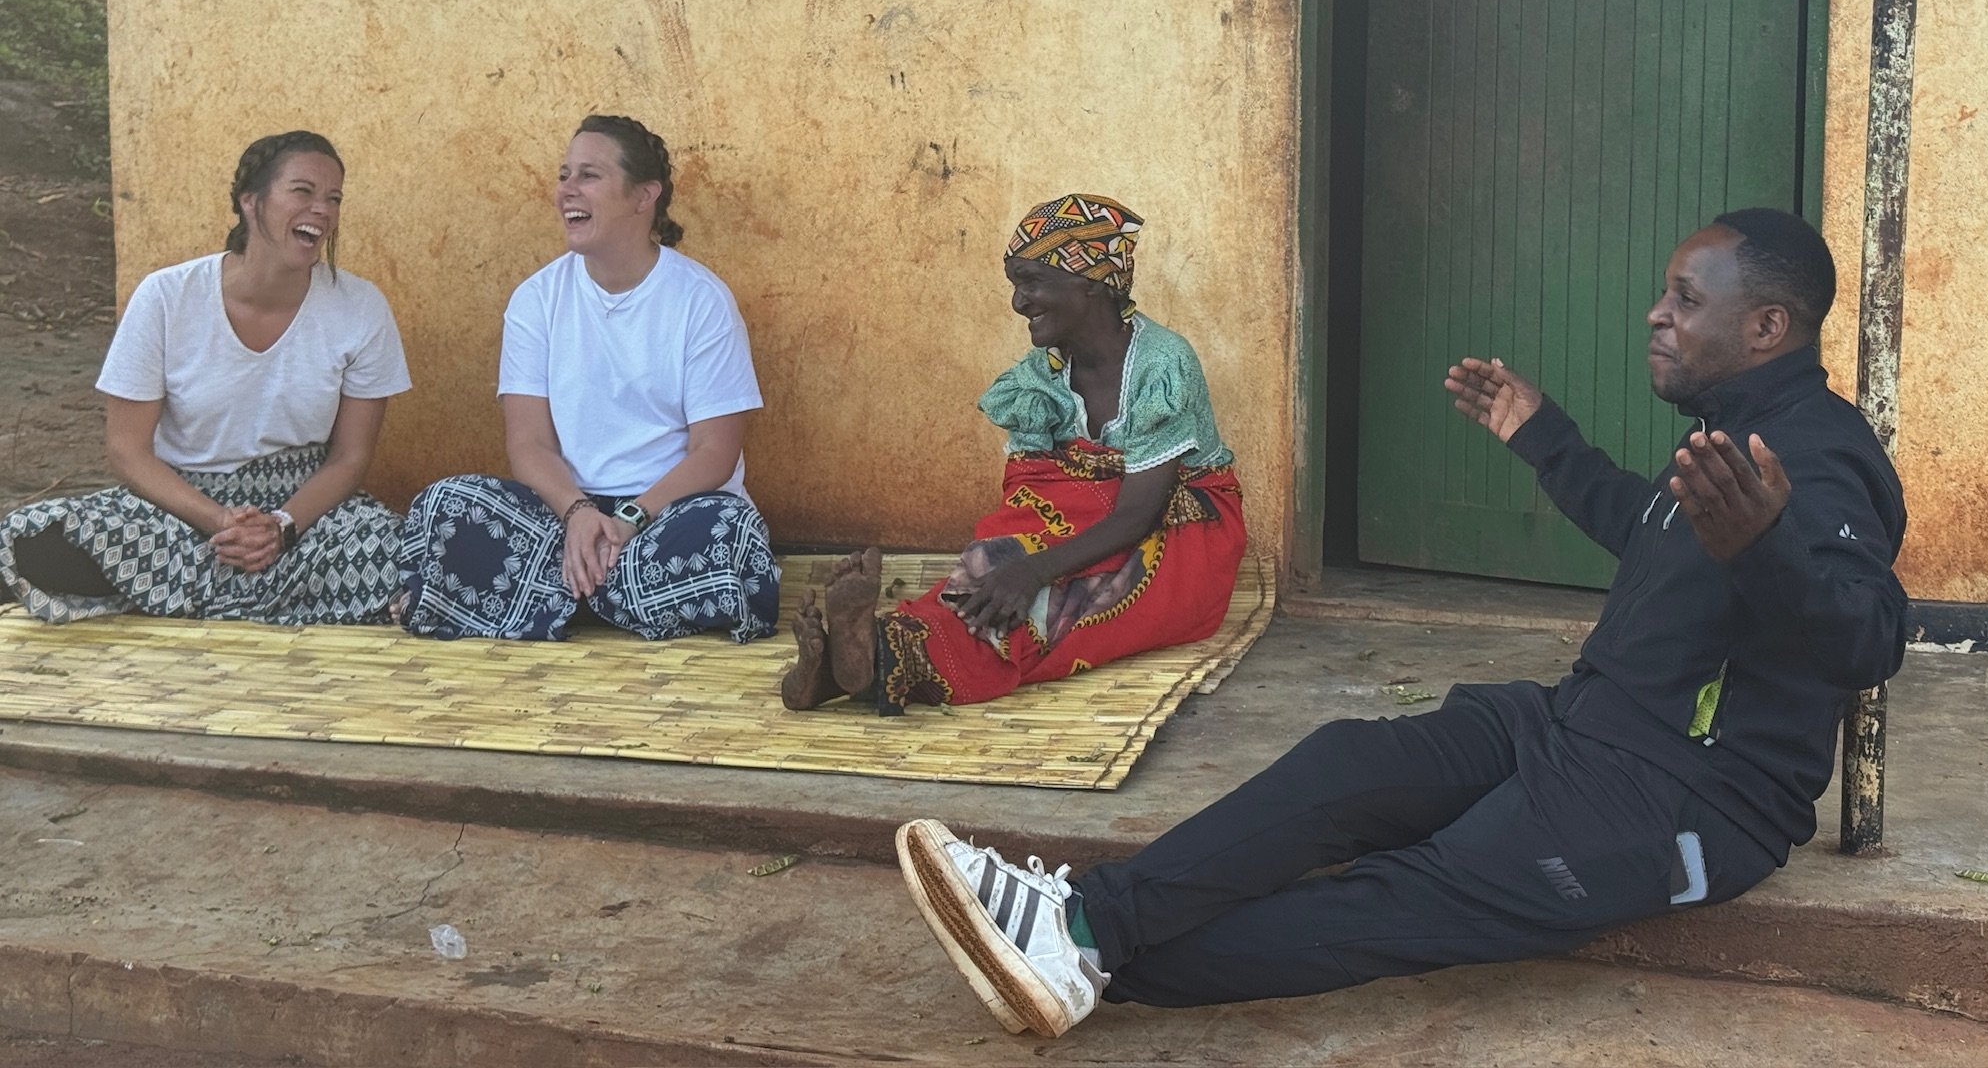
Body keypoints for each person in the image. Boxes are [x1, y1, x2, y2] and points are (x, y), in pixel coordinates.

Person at [893, 208, 1908, 1039]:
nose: (1654, 314)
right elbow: (1646, 533)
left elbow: (1867, 639)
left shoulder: (1815, 462)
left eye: (1684, 301)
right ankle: (1081, 921)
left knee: (1404, 896)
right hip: (1576, 727)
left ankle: (1085, 958)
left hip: (1687, 799)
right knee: (1348, 765)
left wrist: (1767, 547)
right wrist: (1540, 434)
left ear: (1766, 328)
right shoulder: (1723, 440)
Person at [780, 193, 1244, 714]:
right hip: (1084, 518)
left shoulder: (1162, 364)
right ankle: (868, 661)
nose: (1018, 302)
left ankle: (877, 662)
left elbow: (1139, 512)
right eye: (1016, 285)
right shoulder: (1040, 375)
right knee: (990, 563)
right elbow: (1031, 496)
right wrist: (1017, 561)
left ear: (1090, 285)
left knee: (1060, 604)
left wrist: (1035, 571)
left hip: (1178, 535)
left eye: (1032, 282)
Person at [0, 131, 412, 625]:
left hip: (304, 513)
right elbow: (127, 449)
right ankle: (276, 597)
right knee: (33, 537)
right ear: (250, 201)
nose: (322, 210)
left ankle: (173, 592)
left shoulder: (360, 307)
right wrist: (218, 520)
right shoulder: (167, 297)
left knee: (401, 551)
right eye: (303, 192)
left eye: (334, 198)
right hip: (179, 508)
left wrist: (281, 527)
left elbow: (351, 456)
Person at [396, 114, 776, 643]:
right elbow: (528, 443)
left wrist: (628, 520)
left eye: (589, 176)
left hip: (662, 514)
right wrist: (577, 514)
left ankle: (556, 596)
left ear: (644, 196)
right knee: (445, 506)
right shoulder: (537, 299)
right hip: (561, 513)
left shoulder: (700, 300)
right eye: (563, 174)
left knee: (728, 534)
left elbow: (715, 452)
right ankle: (619, 594)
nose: (566, 190)